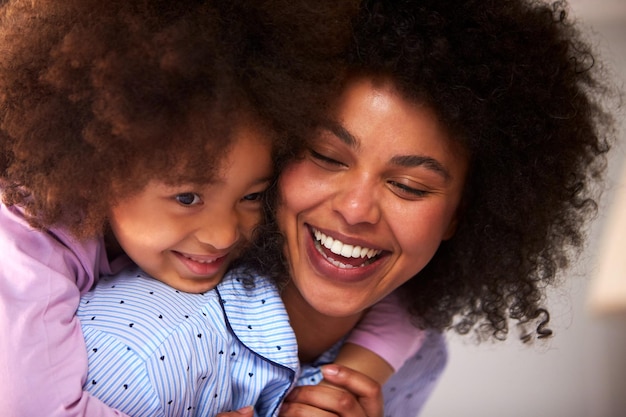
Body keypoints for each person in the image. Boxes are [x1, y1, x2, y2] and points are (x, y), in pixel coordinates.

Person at [0, 1, 423, 416]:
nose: (224, 234)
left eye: (252, 196)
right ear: (103, 167)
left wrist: (345, 380)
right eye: (187, 198)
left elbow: (403, 303)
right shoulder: (24, 241)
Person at [246, 0, 615, 415]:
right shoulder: (176, 310)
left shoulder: (418, 361)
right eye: (327, 157)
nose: (355, 209)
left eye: (408, 186)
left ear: (461, 214)